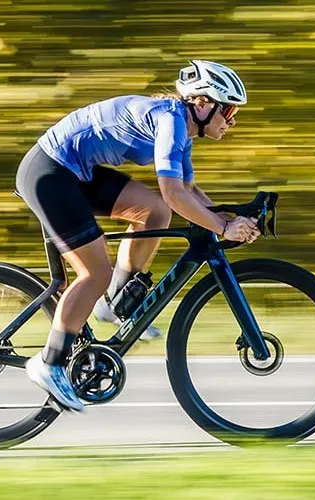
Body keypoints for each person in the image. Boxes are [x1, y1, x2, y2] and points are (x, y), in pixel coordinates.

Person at [16, 60, 261, 411]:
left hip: (76, 172)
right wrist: (222, 227)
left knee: (154, 212)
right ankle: (49, 362)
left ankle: (113, 304)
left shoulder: (183, 129)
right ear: (204, 104)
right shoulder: (170, 122)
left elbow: (186, 190)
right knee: (94, 272)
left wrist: (229, 217)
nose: (232, 120)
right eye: (229, 110)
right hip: (50, 172)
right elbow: (174, 194)